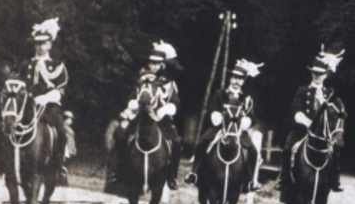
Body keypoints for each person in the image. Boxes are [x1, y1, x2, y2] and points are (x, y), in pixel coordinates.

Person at [105, 41, 182, 193]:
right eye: (152, 63)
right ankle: (116, 173)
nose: (154, 67)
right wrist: (133, 104)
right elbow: (132, 97)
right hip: (141, 117)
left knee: (177, 142)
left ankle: (172, 177)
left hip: (161, 119)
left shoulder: (169, 83)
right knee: (120, 134)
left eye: (157, 64)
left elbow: (174, 102)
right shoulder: (142, 80)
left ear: (163, 65)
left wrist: (164, 110)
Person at [185, 59, 264, 192]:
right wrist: (217, 116)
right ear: (230, 78)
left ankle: (250, 181)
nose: (236, 81)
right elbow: (212, 108)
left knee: (253, 151)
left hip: (238, 130)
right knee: (202, 142)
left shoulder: (247, 98)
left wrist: (246, 122)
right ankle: (194, 173)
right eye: (234, 78)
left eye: (240, 79)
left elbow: (252, 116)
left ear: (243, 81)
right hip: (220, 128)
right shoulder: (220, 94)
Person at [277, 47, 345, 195]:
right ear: (311, 73)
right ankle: (284, 178)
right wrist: (307, 122)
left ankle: (334, 180)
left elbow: (334, 113)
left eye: (321, 74)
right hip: (302, 130)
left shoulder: (329, 93)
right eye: (315, 73)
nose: (317, 76)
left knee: (334, 152)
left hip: (322, 133)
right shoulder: (302, 90)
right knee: (288, 148)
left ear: (326, 75)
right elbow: (296, 110)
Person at [19, 17, 70, 184]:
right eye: (37, 43)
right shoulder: (25, 65)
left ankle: (59, 165)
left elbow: (61, 89)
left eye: (44, 43)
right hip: (27, 106)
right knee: (7, 125)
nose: (40, 47)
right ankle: (1, 162)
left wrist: (46, 98)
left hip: (49, 108)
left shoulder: (57, 65)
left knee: (61, 132)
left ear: (50, 45)